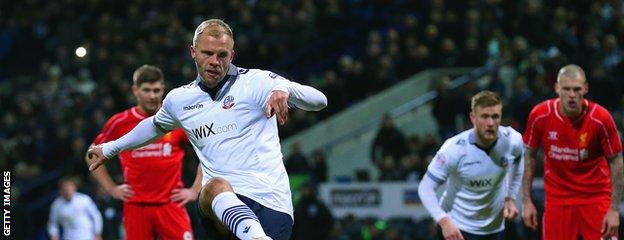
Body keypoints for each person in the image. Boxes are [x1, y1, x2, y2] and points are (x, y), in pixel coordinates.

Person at [87, 19, 327, 240]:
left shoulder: (258, 82)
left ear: (232, 55)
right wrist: (109, 149)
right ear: (193, 52)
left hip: (272, 204)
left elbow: (319, 101)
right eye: (207, 53)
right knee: (213, 186)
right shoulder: (180, 100)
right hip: (218, 207)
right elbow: (152, 127)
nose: (215, 61)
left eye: (222, 55)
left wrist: (285, 89)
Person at [86, 65, 201, 240]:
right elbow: (91, 155)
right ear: (135, 90)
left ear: (163, 90)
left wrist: (195, 190)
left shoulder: (178, 119)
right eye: (146, 90)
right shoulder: (120, 122)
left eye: (156, 90)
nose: (152, 95)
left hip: (171, 204)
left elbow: (206, 151)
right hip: (135, 207)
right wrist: (111, 189)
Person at [521, 64, 623, 240]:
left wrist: (614, 209)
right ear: (557, 88)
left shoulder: (601, 118)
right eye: (566, 89)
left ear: (585, 89)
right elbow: (529, 155)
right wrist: (526, 201)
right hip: (558, 201)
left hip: (596, 198)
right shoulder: (539, 115)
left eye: (576, 89)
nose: (571, 95)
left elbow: (616, 160)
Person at [418, 90, 524, 240]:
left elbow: (519, 161)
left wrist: (510, 197)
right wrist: (444, 221)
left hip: (494, 229)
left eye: (495, 116)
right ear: (473, 117)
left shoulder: (512, 140)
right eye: (485, 117)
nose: (490, 123)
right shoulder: (454, 148)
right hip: (457, 229)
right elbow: (425, 187)